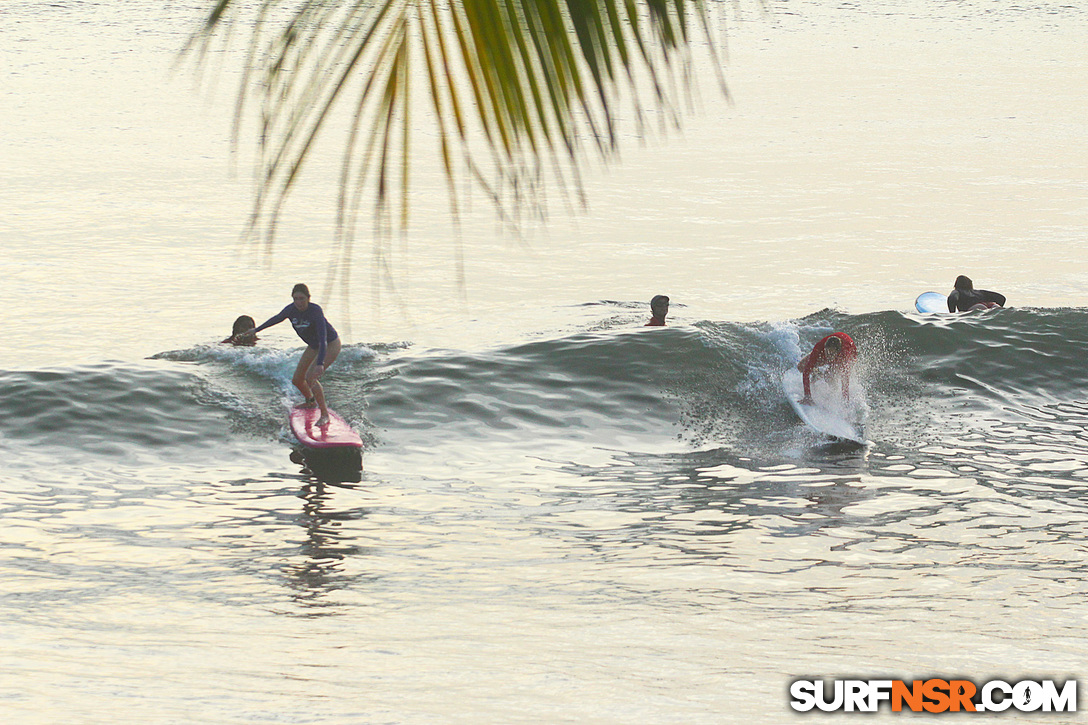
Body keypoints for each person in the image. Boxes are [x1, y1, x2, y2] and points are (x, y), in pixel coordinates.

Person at [241, 283, 342, 427]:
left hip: (330, 344)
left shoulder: (315, 311)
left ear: (308, 298)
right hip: (314, 346)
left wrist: (320, 363)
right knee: (297, 379)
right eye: (295, 299)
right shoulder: (291, 310)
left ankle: (325, 415)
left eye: (302, 299)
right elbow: (276, 319)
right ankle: (310, 401)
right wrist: (256, 330)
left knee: (310, 377)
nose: (299, 302)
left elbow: (322, 337)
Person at [797, 332, 857, 404]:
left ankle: (831, 395)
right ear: (824, 348)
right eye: (827, 352)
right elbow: (806, 371)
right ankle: (816, 373)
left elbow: (845, 383)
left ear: (837, 353)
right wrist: (807, 396)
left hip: (850, 347)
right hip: (833, 342)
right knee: (801, 366)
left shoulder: (844, 356)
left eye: (831, 354)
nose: (828, 356)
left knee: (829, 377)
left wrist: (846, 403)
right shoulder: (819, 348)